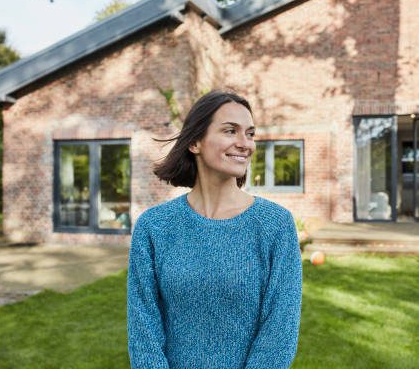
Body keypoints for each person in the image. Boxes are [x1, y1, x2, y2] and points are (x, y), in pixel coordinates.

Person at [126, 89, 303, 368]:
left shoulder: (275, 225)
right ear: (195, 142)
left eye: (250, 133)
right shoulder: (154, 226)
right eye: (231, 131)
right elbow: (143, 327)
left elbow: (279, 332)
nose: (245, 144)